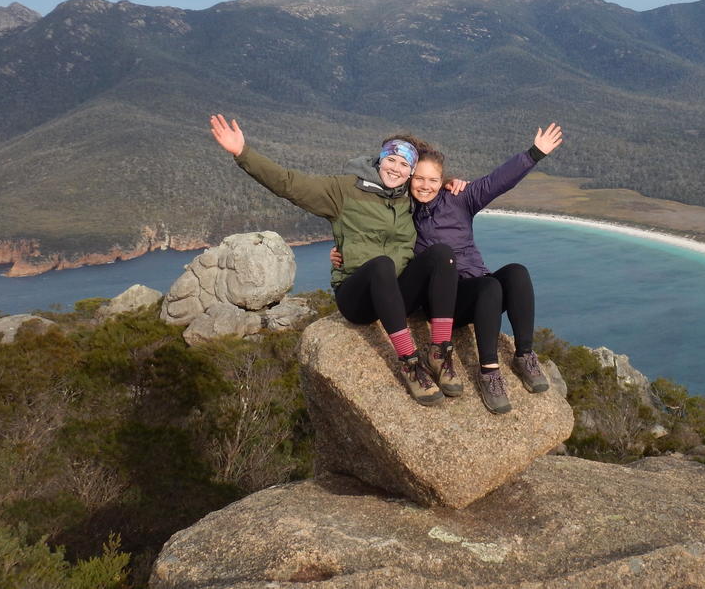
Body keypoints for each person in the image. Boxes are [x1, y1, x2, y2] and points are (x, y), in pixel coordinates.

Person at [209, 114, 460, 406]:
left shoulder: (408, 196)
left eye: (405, 164)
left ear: (410, 172)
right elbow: (289, 184)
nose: (395, 168)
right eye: (391, 160)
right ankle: (409, 362)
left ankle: (440, 352)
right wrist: (243, 153)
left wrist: (454, 184)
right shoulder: (343, 190)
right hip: (359, 296)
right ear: (379, 160)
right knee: (381, 265)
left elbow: (432, 185)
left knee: (443, 255)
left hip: (396, 294)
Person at [335, 123, 563, 413]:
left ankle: (525, 356)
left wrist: (533, 154)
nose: (426, 186)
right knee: (490, 285)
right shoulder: (403, 210)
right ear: (409, 178)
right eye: (419, 179)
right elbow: (370, 231)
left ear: (443, 179)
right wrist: (343, 252)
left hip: (478, 293)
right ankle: (489, 372)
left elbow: (498, 181)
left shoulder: (461, 198)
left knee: (517, 272)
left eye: (433, 180)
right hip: (444, 300)